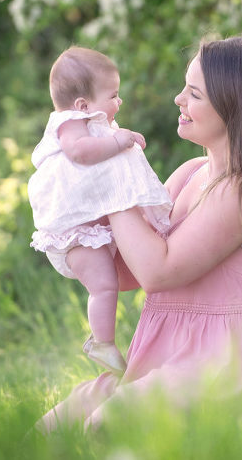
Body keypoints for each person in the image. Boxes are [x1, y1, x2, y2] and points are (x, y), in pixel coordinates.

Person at [37, 35, 242, 432]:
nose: (178, 99)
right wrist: (79, 228)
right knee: (53, 429)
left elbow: (158, 272)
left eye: (194, 93)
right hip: (171, 349)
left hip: (229, 357)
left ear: (234, 106)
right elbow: (129, 272)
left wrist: (109, 178)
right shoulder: (189, 174)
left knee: (106, 426)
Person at [28, 46, 172, 375]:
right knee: (104, 285)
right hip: (74, 234)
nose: (118, 103)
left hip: (90, 229)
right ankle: (101, 343)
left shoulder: (93, 122)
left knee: (108, 282)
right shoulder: (71, 124)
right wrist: (119, 141)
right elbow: (79, 153)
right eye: (113, 95)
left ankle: (103, 342)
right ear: (83, 105)